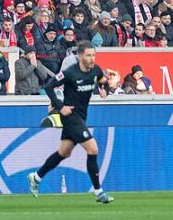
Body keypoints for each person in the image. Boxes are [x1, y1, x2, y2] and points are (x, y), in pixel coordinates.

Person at [29, 41, 115, 203]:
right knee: (93, 149)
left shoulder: (95, 70)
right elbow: (49, 86)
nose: (92, 58)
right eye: (89, 55)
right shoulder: (70, 73)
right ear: (80, 56)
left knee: (64, 152)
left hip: (81, 117)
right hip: (70, 117)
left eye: (94, 55)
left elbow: (103, 81)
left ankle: (36, 177)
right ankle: (99, 192)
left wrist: (105, 91)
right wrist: (60, 107)